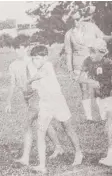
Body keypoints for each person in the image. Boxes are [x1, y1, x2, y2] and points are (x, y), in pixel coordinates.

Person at [26, 45, 83, 173]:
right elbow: (34, 88)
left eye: (38, 58)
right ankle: (42, 165)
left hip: (58, 102)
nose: (35, 61)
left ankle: (79, 152)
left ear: (45, 57)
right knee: (40, 132)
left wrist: (27, 81)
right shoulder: (35, 70)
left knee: (67, 128)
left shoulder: (47, 66)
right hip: (45, 104)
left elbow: (37, 76)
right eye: (33, 58)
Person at [5, 45, 65, 165]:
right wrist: (8, 101)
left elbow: (38, 80)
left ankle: (26, 157)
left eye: (21, 48)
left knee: (28, 124)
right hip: (27, 96)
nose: (18, 51)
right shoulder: (13, 65)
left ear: (26, 49)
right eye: (16, 48)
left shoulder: (33, 62)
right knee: (43, 123)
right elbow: (12, 84)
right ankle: (58, 147)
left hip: (37, 96)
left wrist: (31, 89)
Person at [64, 5, 112, 120]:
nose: (76, 22)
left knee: (99, 88)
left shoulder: (92, 27)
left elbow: (102, 37)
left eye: (78, 19)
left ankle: (103, 116)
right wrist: (70, 70)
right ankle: (89, 117)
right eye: (73, 20)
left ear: (82, 17)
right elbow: (68, 53)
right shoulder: (68, 34)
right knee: (84, 90)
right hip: (79, 65)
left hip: (95, 62)